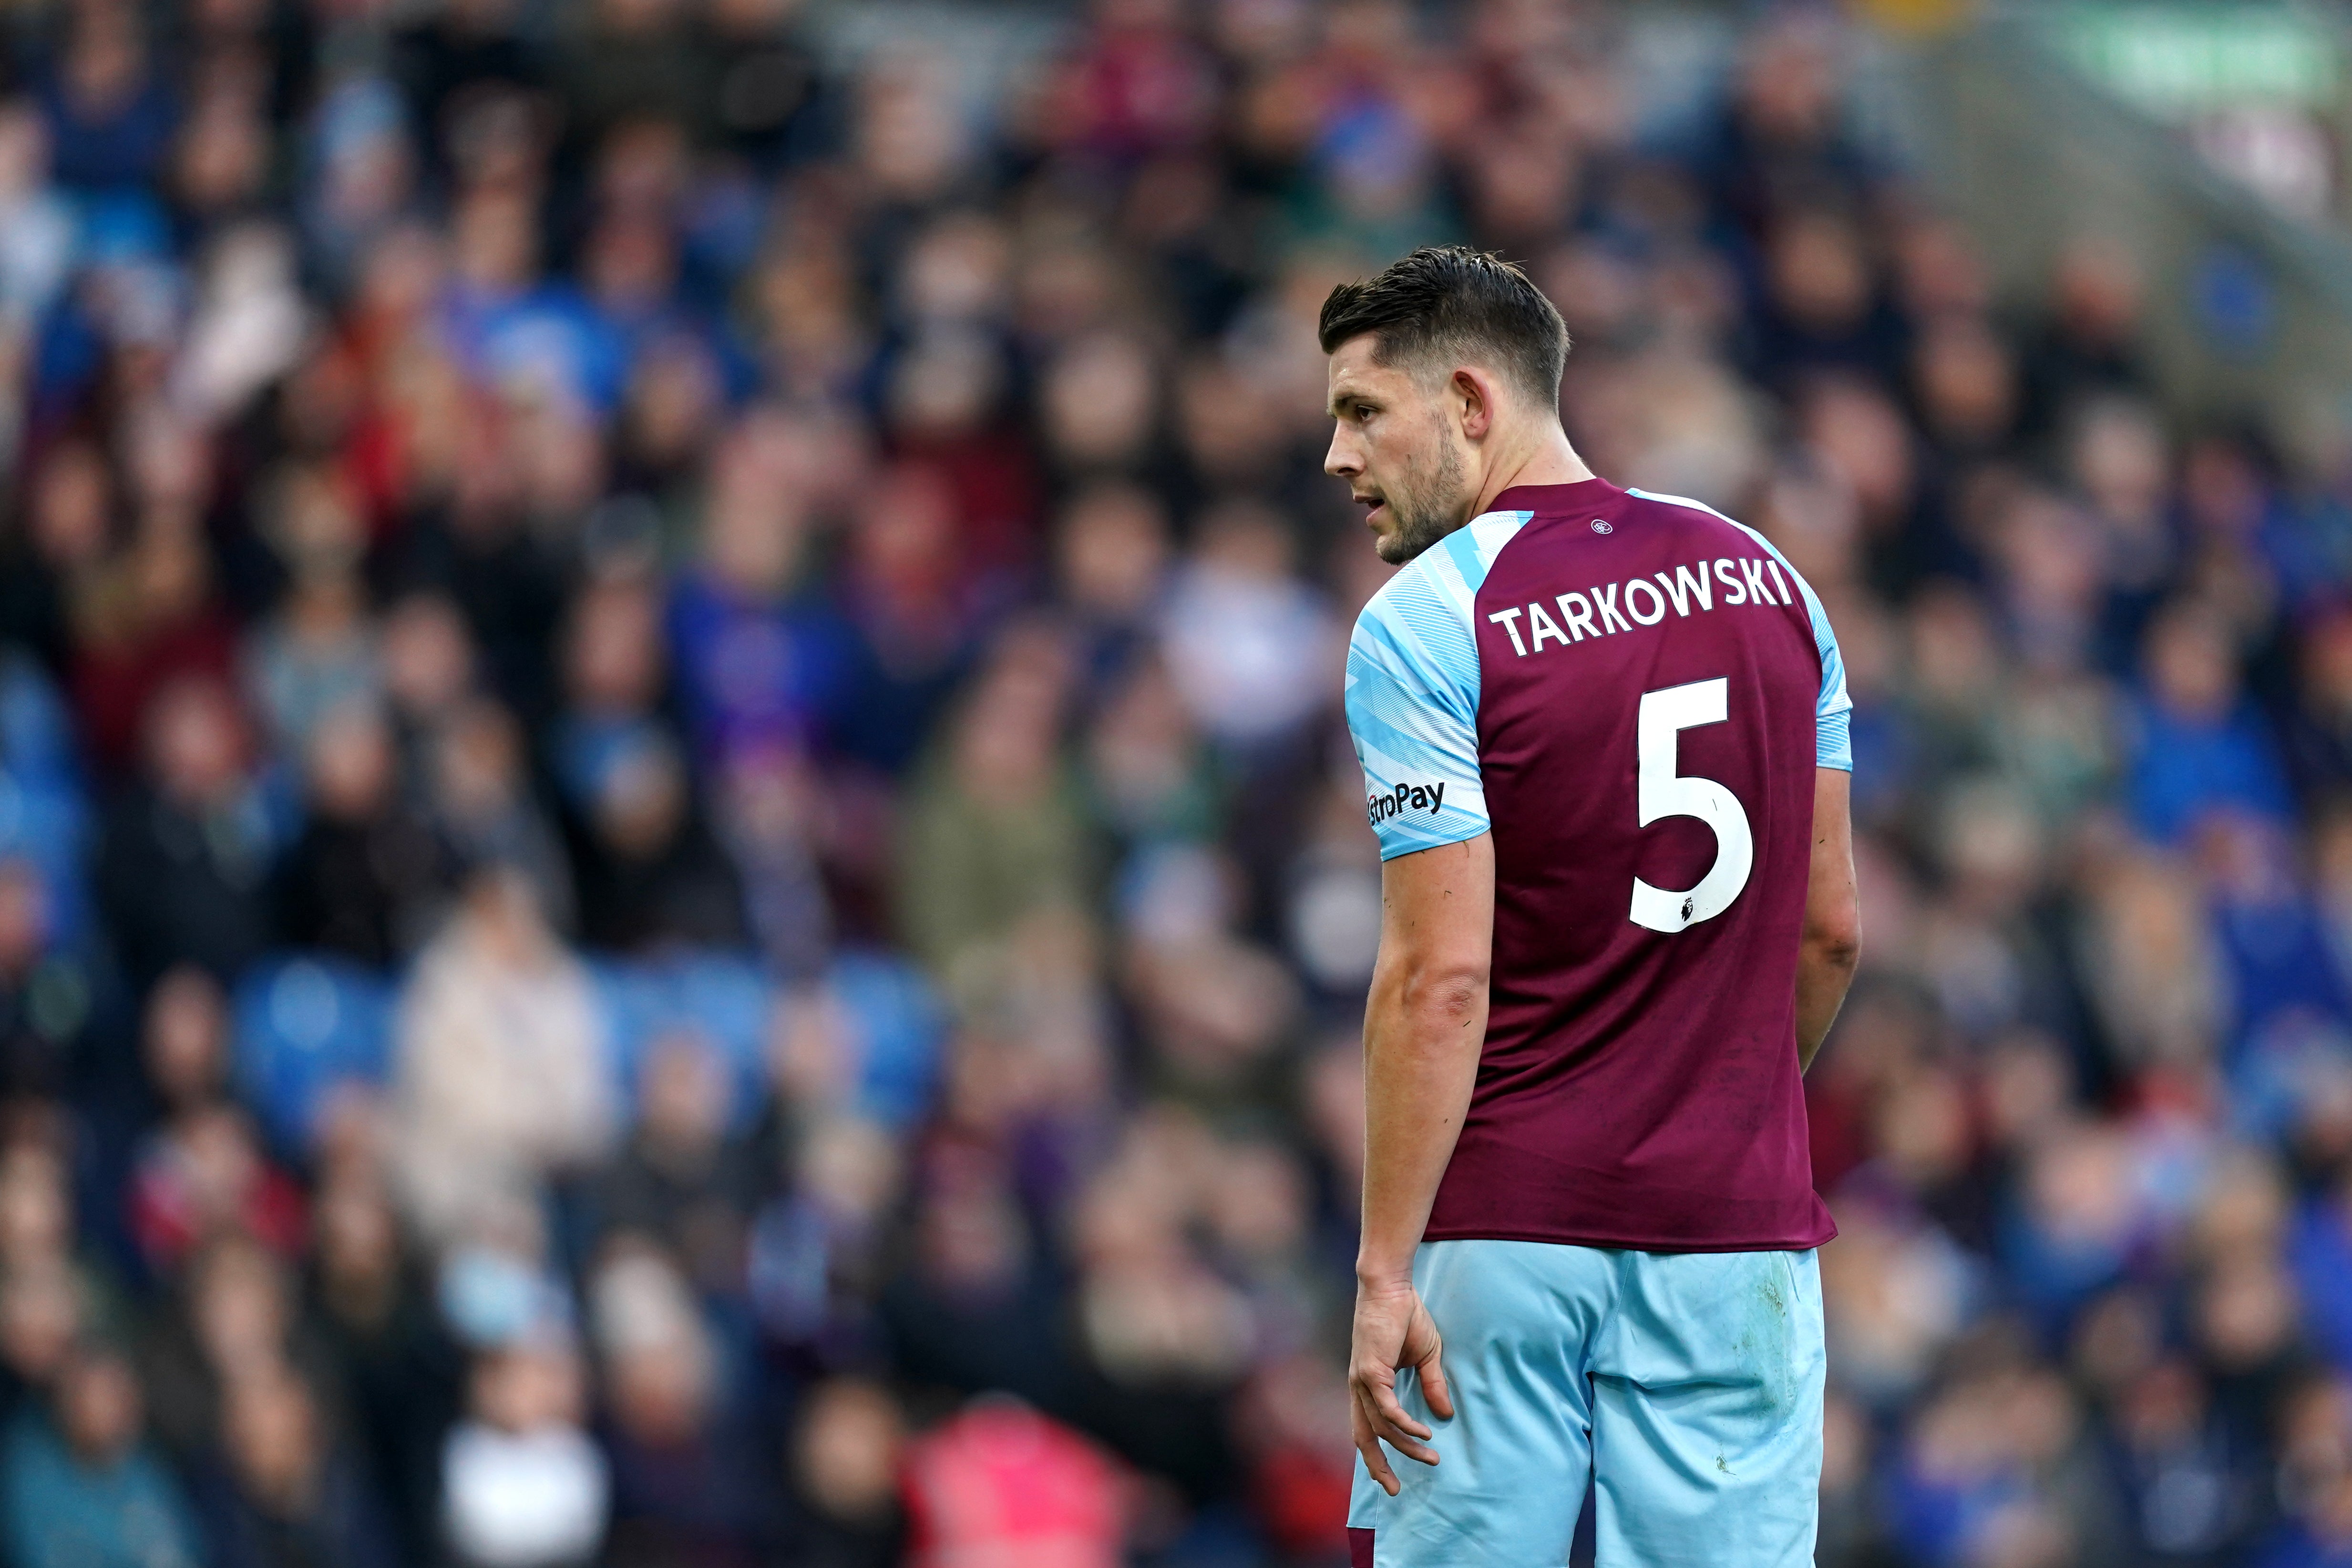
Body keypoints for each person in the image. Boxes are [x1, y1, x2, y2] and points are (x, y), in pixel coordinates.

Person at [1321, 246, 1862, 1567]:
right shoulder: (1768, 580)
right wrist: (1708, 1104)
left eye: (1360, 410)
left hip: (1506, 1224)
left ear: (1467, 402)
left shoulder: (1427, 622)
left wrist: (1384, 1266)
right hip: (1735, 1230)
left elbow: (1439, 980)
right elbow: (1830, 926)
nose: (1338, 456)